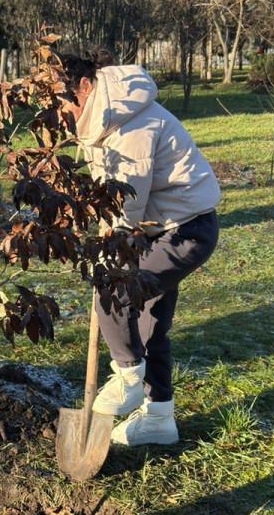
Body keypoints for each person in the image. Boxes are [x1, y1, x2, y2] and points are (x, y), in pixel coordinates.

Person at [62, 53, 221, 447]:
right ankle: (159, 418)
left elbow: (126, 202)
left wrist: (108, 253)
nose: (59, 111)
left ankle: (129, 377)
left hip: (183, 231)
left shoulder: (130, 125)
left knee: (113, 289)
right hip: (161, 227)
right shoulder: (108, 116)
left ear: (83, 86)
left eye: (62, 100)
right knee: (149, 324)